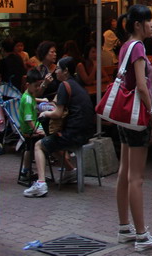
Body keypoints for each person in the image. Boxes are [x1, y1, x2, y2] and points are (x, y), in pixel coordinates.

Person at [112, 5, 152, 251]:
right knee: (137, 178)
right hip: (137, 116)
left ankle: (125, 228)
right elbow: (142, 87)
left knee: (124, 173)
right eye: (149, 21)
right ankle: (142, 235)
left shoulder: (125, 46)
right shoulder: (139, 47)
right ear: (137, 25)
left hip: (124, 117)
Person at [23, 56, 95, 199]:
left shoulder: (64, 85)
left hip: (73, 135)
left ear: (66, 71)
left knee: (39, 145)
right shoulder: (77, 84)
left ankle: (41, 184)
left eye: (58, 69)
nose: (56, 72)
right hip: (86, 132)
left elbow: (57, 113)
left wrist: (45, 113)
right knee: (50, 142)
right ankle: (70, 171)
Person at [18, 69, 46, 186]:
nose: (38, 88)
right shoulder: (28, 100)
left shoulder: (28, 95)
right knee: (41, 140)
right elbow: (28, 119)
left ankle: (26, 170)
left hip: (31, 127)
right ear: (28, 85)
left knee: (29, 149)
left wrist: (42, 100)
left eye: (39, 85)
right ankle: (26, 170)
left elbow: (33, 99)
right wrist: (36, 130)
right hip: (29, 129)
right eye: (36, 86)